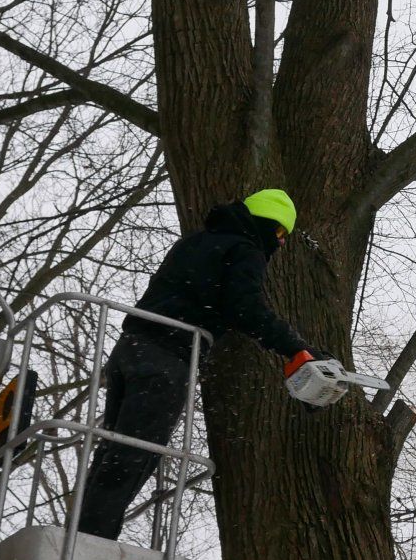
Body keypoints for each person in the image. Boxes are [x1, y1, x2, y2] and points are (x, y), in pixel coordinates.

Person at [74, 189, 324, 540]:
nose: (280, 244)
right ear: (269, 226)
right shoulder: (246, 250)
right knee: (137, 452)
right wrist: (294, 348)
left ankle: (80, 530)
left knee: (112, 446)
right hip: (166, 357)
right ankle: (91, 540)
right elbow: (245, 308)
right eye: (281, 234)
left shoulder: (195, 242)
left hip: (128, 350)